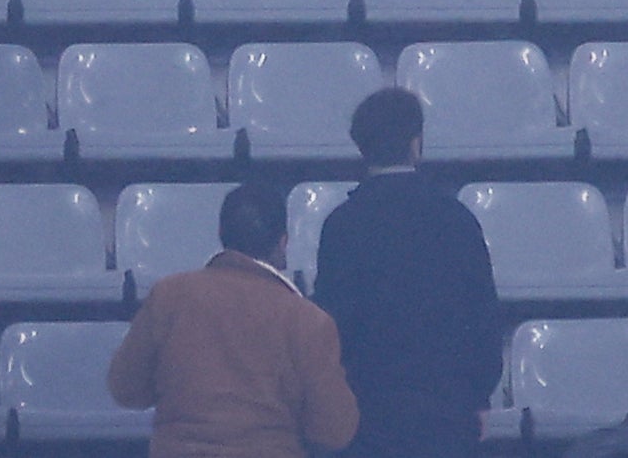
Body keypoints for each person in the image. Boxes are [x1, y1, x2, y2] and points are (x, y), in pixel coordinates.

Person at [310, 85, 502, 458]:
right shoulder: (456, 219)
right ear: (417, 143)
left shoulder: (342, 224)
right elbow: (482, 315)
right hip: (447, 411)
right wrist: (478, 394)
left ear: (362, 147)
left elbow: (333, 323)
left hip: (369, 413)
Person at [108, 176, 359, 458]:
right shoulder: (308, 320)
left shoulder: (169, 296)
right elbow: (335, 431)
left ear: (221, 234)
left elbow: (125, 389)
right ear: (282, 243)